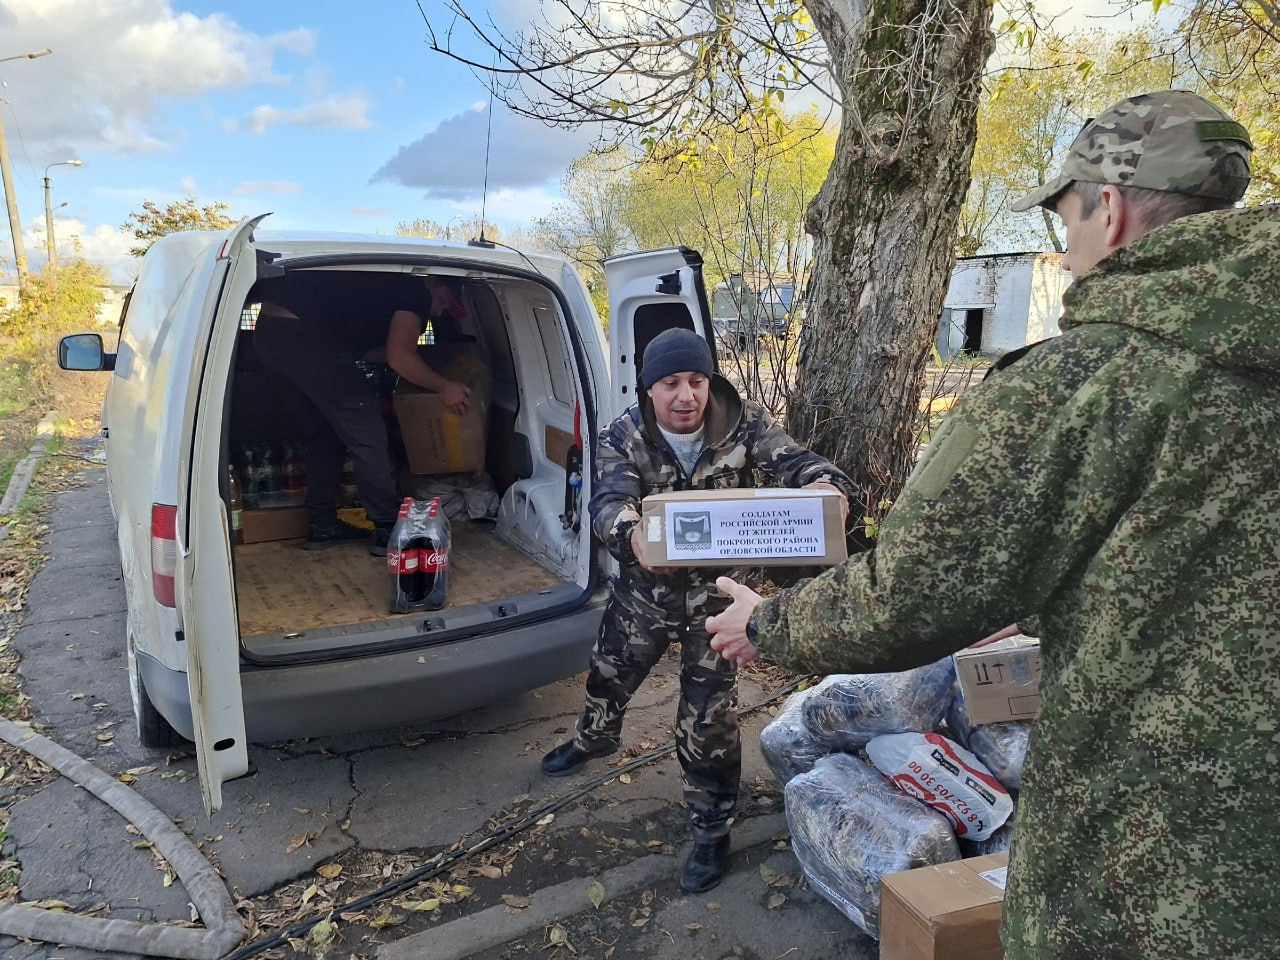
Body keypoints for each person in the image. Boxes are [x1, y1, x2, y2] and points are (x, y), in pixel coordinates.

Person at [706, 90, 1277, 958]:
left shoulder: (1086, 383)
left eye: (1066, 218)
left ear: (1111, 209)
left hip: (1152, 852)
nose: (1069, 244)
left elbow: (913, 595)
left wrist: (771, 624)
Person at [540, 327, 854, 894]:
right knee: (608, 678)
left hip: (717, 603)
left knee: (709, 718)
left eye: (696, 380)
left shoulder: (745, 423)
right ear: (649, 389)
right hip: (643, 598)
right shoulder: (623, 434)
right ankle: (594, 738)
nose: (685, 395)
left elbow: (798, 463)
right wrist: (631, 534)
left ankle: (712, 829)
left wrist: (828, 487)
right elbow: (607, 501)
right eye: (670, 383)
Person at [252, 274, 471, 554]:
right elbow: (399, 358)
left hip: (273, 336)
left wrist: (418, 361)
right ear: (436, 284)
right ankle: (387, 528)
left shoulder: (378, 298)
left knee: (324, 433)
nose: (438, 311)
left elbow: (373, 352)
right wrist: (443, 386)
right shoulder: (415, 291)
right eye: (443, 302)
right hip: (305, 338)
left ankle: (322, 525)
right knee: (368, 433)